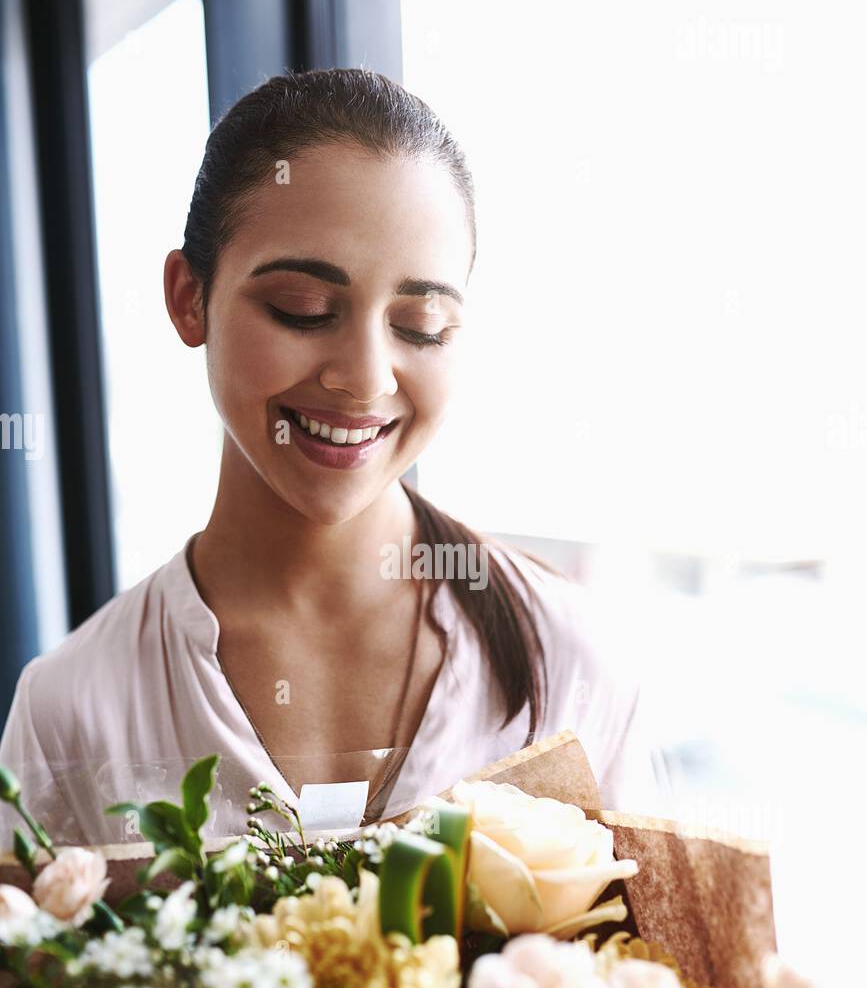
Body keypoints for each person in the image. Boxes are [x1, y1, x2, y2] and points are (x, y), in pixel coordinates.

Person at [0, 68, 670, 851]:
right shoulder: (71, 710)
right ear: (189, 297)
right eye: (303, 310)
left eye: (420, 325)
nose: (364, 377)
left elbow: (663, 968)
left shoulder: (568, 658)